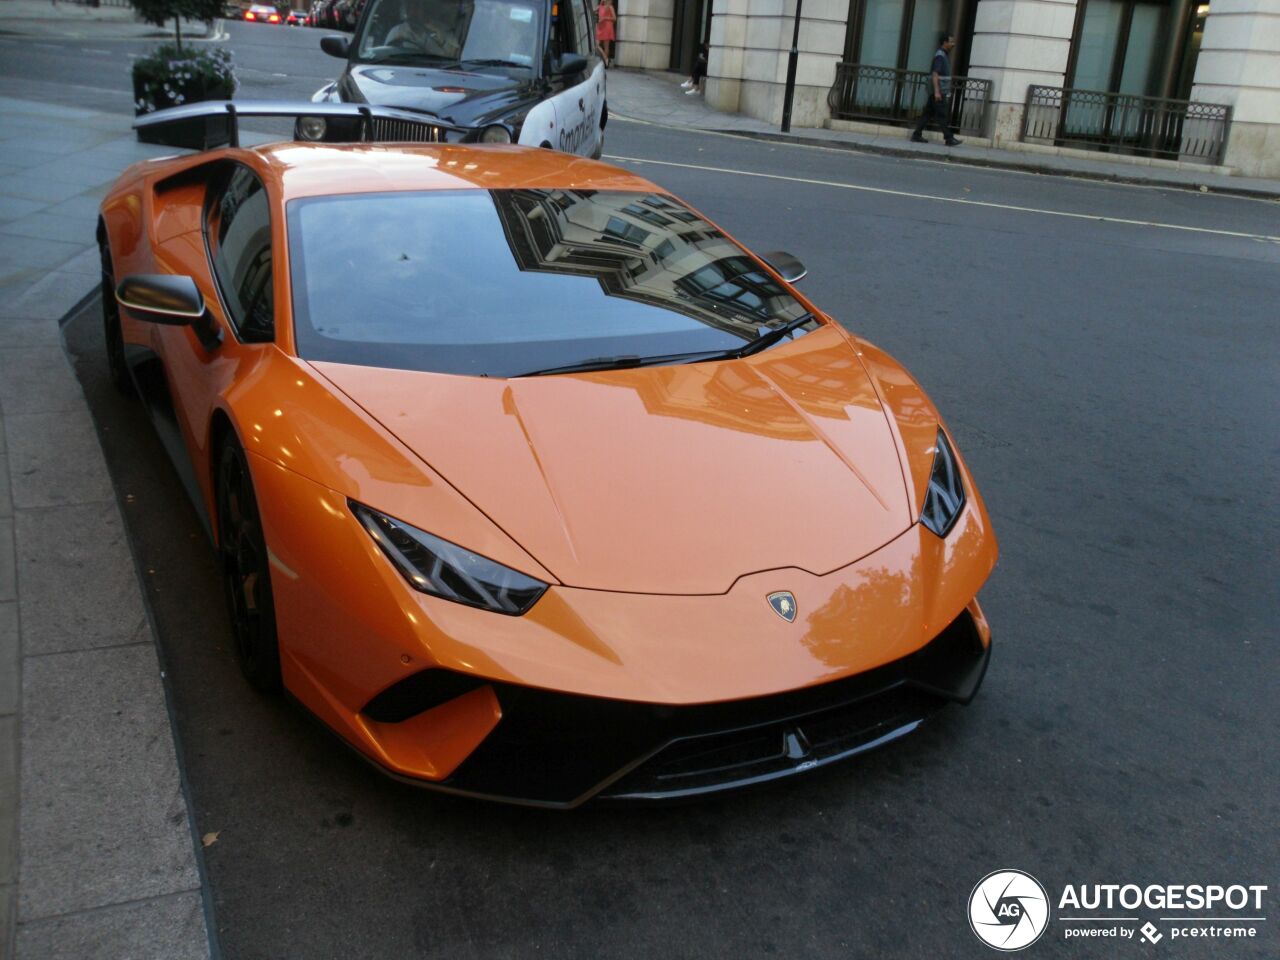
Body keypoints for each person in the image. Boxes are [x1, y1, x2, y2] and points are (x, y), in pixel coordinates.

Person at [911, 33, 961, 146]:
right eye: (951, 42)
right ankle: (949, 138)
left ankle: (916, 134)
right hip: (939, 92)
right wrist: (937, 91)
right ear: (945, 43)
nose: (953, 44)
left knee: (927, 114)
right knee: (942, 115)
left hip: (936, 91)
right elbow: (935, 73)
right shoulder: (940, 56)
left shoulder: (943, 55)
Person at [595, 0, 616, 67]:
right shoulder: (600, 6)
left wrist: (605, 18)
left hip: (607, 26)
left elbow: (614, 18)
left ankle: (605, 63)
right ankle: (605, 58)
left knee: (606, 46)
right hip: (600, 27)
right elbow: (593, 11)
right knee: (596, 44)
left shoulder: (610, 6)